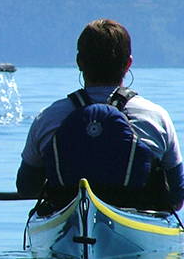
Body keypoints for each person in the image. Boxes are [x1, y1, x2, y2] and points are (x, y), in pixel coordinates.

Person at [16, 18, 184, 211]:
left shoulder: (48, 118)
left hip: (68, 222)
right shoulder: (156, 117)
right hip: (136, 226)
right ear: (128, 64)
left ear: (79, 62)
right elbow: (177, 198)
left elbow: (26, 188)